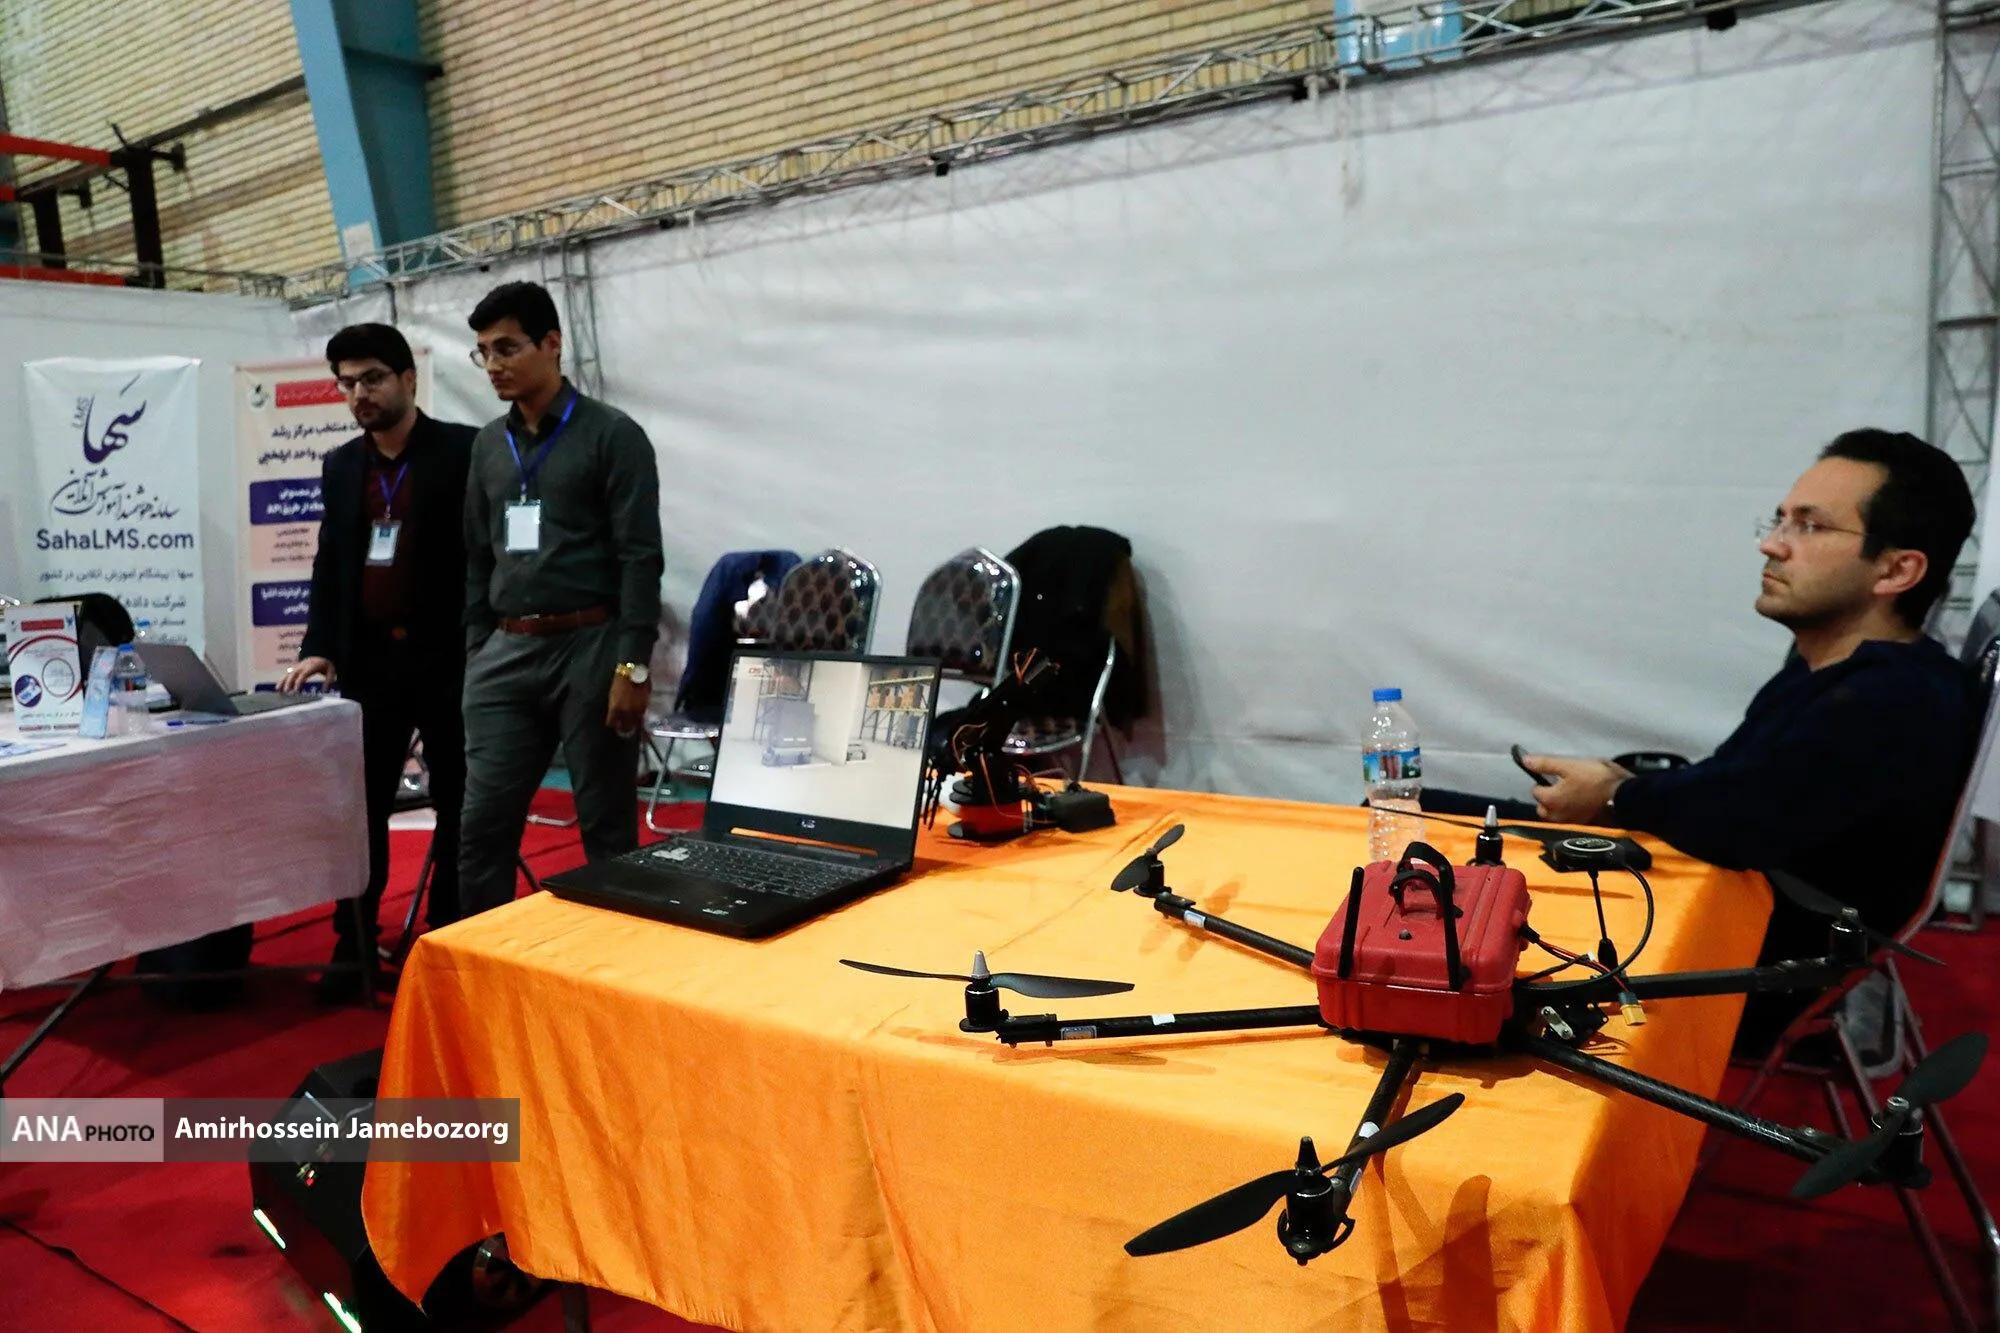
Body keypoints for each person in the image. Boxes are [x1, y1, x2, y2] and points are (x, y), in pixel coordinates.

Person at [1519, 430, 1978, 1043]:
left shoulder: (1888, 701)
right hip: (1725, 921)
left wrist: (1614, 795)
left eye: (1809, 526)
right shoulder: (1837, 670)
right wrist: (1621, 788)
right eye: (1780, 520)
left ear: (1897, 569)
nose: (1772, 544)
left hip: (1739, 971)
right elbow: (1745, 788)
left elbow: (1737, 821)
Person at [458, 281, 664, 917]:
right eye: (484, 352)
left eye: (507, 348)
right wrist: (477, 649)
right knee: (481, 830)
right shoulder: (488, 445)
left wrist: (633, 666)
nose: (493, 364)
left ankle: (615, 962)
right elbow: (478, 554)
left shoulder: (612, 436)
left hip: (591, 649)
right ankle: (478, 962)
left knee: (606, 829)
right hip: (505, 651)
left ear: (552, 343)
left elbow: (640, 558)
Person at [286, 323, 478, 1002]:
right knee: (359, 808)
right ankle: (356, 946)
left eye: (371, 378)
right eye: (347, 383)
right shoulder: (342, 465)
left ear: (408, 379)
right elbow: (331, 561)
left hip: (450, 657)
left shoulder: (465, 451)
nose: (358, 393)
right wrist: (319, 645)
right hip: (369, 662)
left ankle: (446, 940)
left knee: (459, 799)